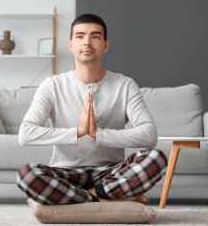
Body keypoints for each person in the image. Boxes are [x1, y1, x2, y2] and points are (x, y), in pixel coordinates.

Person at [16, 14, 167, 205]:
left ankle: (81, 197)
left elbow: (149, 135)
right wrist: (77, 132)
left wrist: (98, 134)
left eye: (95, 36)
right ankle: (104, 198)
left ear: (106, 45)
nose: (87, 42)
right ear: (70, 45)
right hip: (65, 173)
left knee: (157, 159)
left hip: (111, 174)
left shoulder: (125, 85)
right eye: (80, 36)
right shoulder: (52, 85)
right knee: (27, 175)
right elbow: (26, 134)